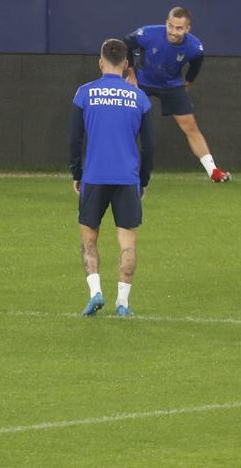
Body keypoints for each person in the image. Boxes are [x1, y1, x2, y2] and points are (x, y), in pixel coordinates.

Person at [70, 39, 154, 318]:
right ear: (126, 64)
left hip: (94, 177)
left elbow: (74, 140)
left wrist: (76, 174)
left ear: (100, 61)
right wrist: (142, 180)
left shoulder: (84, 93)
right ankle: (123, 303)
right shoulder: (139, 98)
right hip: (127, 179)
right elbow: (149, 146)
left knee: (88, 240)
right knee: (127, 243)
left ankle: (95, 292)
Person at [124, 7, 230, 183]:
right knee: (126, 123)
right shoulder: (148, 33)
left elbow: (196, 65)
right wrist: (131, 74)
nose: (173, 31)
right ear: (166, 23)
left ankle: (214, 172)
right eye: (170, 26)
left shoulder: (195, 47)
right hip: (141, 82)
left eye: (179, 28)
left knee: (191, 127)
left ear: (188, 29)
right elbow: (126, 43)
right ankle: (122, 168)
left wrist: (187, 83)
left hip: (171, 85)